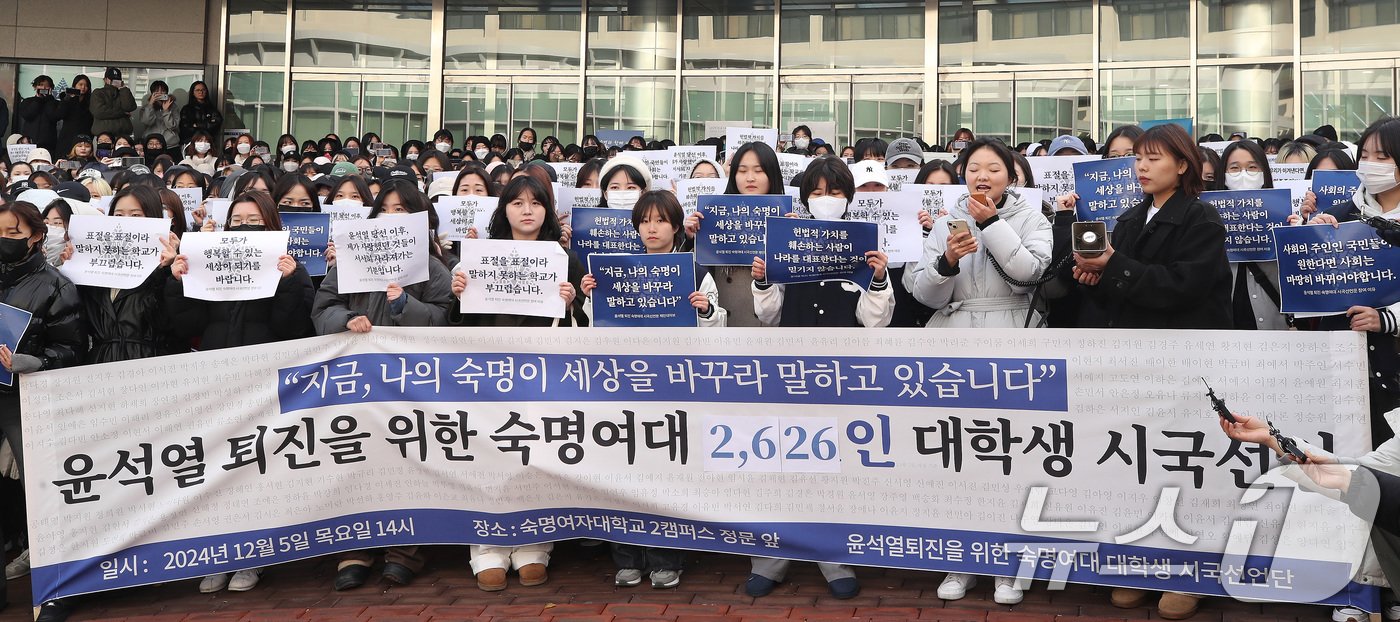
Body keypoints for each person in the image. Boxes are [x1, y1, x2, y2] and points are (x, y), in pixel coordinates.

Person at [167, 190, 313, 593]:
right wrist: (179, 280)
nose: (244, 227)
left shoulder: (290, 269)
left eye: (254, 221)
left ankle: (256, 555)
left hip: (264, 378)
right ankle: (219, 552)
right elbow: (186, 324)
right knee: (216, 465)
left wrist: (288, 283)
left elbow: (293, 329)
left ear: (271, 226)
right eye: (238, 219)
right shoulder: (207, 259)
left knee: (258, 465)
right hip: (215, 372)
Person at [313, 179, 454, 592]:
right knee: (360, 458)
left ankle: (405, 550)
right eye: (385, 210)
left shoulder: (433, 268)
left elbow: (446, 317)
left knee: (411, 460)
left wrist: (403, 306)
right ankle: (356, 548)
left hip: (413, 384)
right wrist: (345, 320)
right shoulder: (350, 263)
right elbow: (323, 308)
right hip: (359, 380)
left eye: (402, 211)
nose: (392, 218)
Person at [451, 174, 580, 591]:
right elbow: (457, 326)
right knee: (487, 454)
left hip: (542, 376)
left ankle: (534, 543)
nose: (528, 210)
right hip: (487, 375)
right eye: (518, 202)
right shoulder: (479, 255)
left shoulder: (564, 258)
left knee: (535, 454)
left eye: (536, 203)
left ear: (548, 211)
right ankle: (485, 547)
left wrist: (572, 302)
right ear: (503, 208)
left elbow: (584, 330)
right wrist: (459, 293)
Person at [0, 200, 85, 621]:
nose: (4, 242)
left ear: (35, 236)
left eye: (13, 234)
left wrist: (32, 361)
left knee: (42, 490)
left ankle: (56, 590)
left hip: (27, 398)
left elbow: (71, 347)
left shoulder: (55, 284)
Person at [1301, 116, 1400, 450]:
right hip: (1346, 374)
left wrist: (1386, 320)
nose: (1370, 165)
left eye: (1383, 157)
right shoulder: (1341, 216)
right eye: (1366, 156)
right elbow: (1309, 290)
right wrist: (1314, 235)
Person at [683, 142, 785, 327]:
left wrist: (791, 232)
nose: (750, 178)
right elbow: (694, 278)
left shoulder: (785, 217)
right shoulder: (713, 216)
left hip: (767, 333)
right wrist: (691, 238)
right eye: (742, 171)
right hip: (724, 329)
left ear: (772, 174)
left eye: (759, 170)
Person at [1219, 140, 1288, 331]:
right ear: (1223, 175)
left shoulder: (1282, 215)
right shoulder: (1208, 218)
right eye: (1234, 168)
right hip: (1224, 330)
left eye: (1252, 167)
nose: (1243, 175)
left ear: (1264, 172)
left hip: (1273, 327)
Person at [17, 75, 61, 152]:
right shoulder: (27, 101)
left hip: (48, 144)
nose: (43, 88)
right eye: (40, 85)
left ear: (51, 88)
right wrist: (37, 99)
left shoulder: (55, 103)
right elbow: (28, 115)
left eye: (46, 86)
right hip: (28, 143)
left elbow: (54, 116)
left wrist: (49, 99)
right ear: (35, 87)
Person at [89, 68, 136, 139]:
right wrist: (122, 113)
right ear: (105, 80)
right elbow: (99, 112)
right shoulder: (98, 92)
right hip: (103, 136)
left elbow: (129, 107)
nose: (115, 82)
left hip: (123, 135)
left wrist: (123, 88)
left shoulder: (123, 92)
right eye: (113, 80)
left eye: (117, 80)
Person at [55, 75, 93, 156]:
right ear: (74, 85)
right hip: (68, 136)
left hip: (84, 137)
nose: (83, 87)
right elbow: (59, 114)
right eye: (80, 84)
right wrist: (69, 97)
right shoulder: (67, 98)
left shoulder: (90, 101)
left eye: (86, 85)